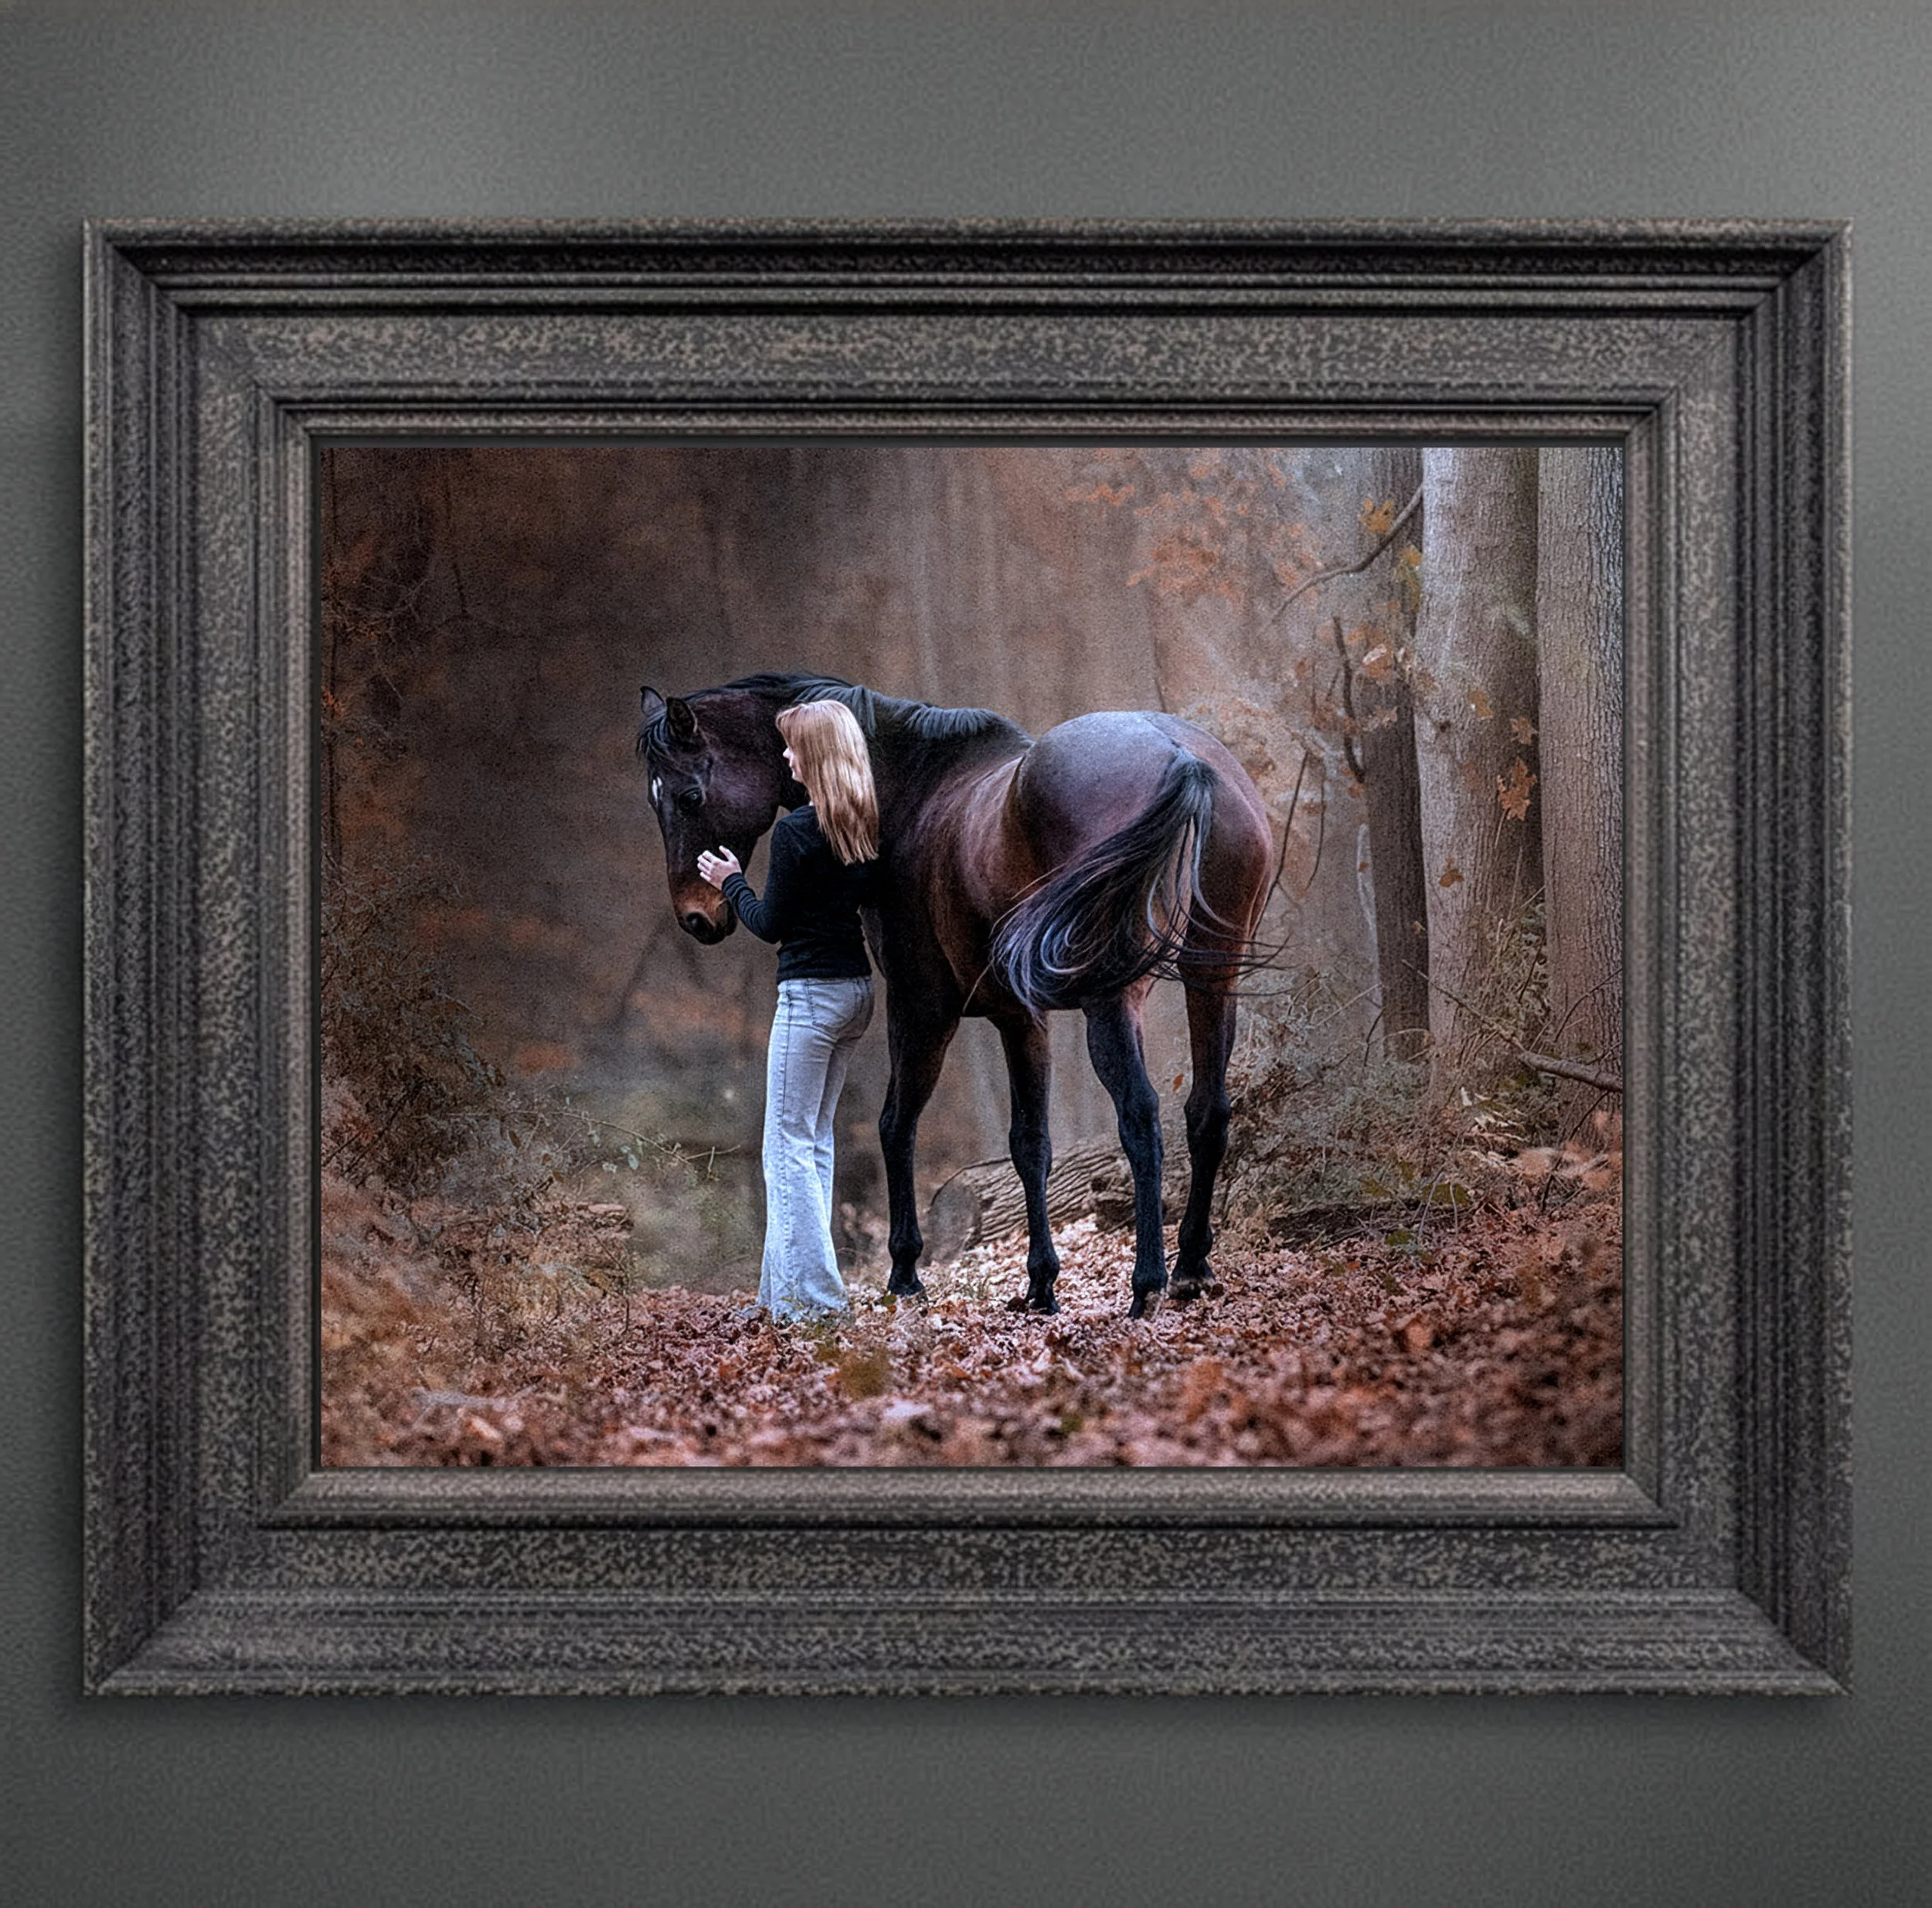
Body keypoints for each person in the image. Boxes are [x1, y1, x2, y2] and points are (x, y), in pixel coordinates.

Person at [697, 699, 879, 1324]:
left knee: (786, 1147)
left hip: (810, 998)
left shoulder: (798, 831)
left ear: (816, 755)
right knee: (810, 1143)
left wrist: (731, 881)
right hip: (856, 993)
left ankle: (819, 1305)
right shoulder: (863, 825)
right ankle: (778, 1297)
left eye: (793, 745)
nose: (785, 756)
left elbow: (769, 923)